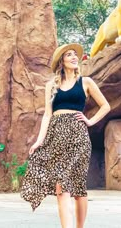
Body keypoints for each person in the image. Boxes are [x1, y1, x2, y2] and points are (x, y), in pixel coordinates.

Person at [21, 43, 111, 228]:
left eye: (74, 55)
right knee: (61, 187)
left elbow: (105, 106)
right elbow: (47, 114)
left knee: (78, 189)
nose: (73, 57)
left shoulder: (86, 82)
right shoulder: (51, 86)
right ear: (61, 60)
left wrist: (90, 121)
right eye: (68, 55)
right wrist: (40, 140)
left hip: (78, 138)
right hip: (56, 138)